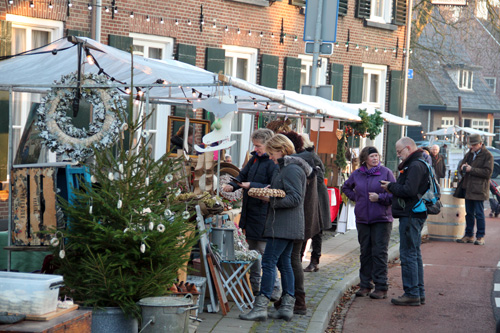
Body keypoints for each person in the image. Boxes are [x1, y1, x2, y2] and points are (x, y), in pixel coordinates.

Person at [239, 134, 311, 322]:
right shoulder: (287, 168)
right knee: (284, 263)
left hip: (283, 225)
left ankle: (260, 307)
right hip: (287, 224)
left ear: (281, 150)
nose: (270, 157)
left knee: (269, 262)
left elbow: (295, 198)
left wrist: (270, 200)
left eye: (271, 153)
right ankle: (287, 306)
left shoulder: (291, 169)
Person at [222, 129, 281, 299]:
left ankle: (273, 290)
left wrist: (251, 185)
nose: (255, 148)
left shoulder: (272, 163)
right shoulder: (254, 159)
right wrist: (232, 185)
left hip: (263, 214)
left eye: (258, 145)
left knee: (263, 253)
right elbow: (241, 175)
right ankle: (255, 288)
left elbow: (272, 186)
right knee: (251, 251)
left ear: (268, 144)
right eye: (254, 145)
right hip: (250, 213)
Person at [274, 131, 320, 315]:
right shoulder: (305, 162)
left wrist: (274, 199)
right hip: (303, 217)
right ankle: (291, 297)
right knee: (291, 260)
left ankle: (296, 299)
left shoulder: (296, 165)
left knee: (291, 260)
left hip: (298, 219)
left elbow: (296, 197)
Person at [380, 137, 430, 306]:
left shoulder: (415, 165)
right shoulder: (420, 163)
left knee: (409, 253)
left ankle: (412, 293)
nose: (398, 155)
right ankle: (418, 292)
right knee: (415, 253)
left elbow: (409, 190)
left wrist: (390, 187)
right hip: (415, 213)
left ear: (408, 148)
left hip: (410, 214)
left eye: (400, 152)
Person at [342, 147, 396, 300]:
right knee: (365, 252)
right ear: (365, 158)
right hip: (363, 219)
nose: (375, 159)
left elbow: (395, 194)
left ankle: (381, 286)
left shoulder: (386, 173)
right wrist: (357, 198)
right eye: (372, 156)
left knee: (379, 252)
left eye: (377, 156)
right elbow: (346, 187)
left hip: (381, 219)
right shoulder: (357, 173)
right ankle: (365, 284)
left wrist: (379, 198)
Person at [300, 134, 331, 273]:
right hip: (309, 196)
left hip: (316, 197)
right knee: (306, 228)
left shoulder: (311, 157)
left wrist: (305, 186)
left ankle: (314, 260)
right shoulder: (306, 155)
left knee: (316, 229)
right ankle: (301, 258)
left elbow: (318, 178)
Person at [455, 134, 493, 246]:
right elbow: (461, 165)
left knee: (479, 214)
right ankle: (469, 235)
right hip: (468, 188)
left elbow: (487, 173)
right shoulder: (470, 154)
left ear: (481, 144)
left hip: (479, 189)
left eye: (475, 145)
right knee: (469, 213)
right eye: (471, 145)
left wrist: (472, 169)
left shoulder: (487, 155)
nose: (473, 147)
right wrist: (462, 168)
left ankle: (480, 236)